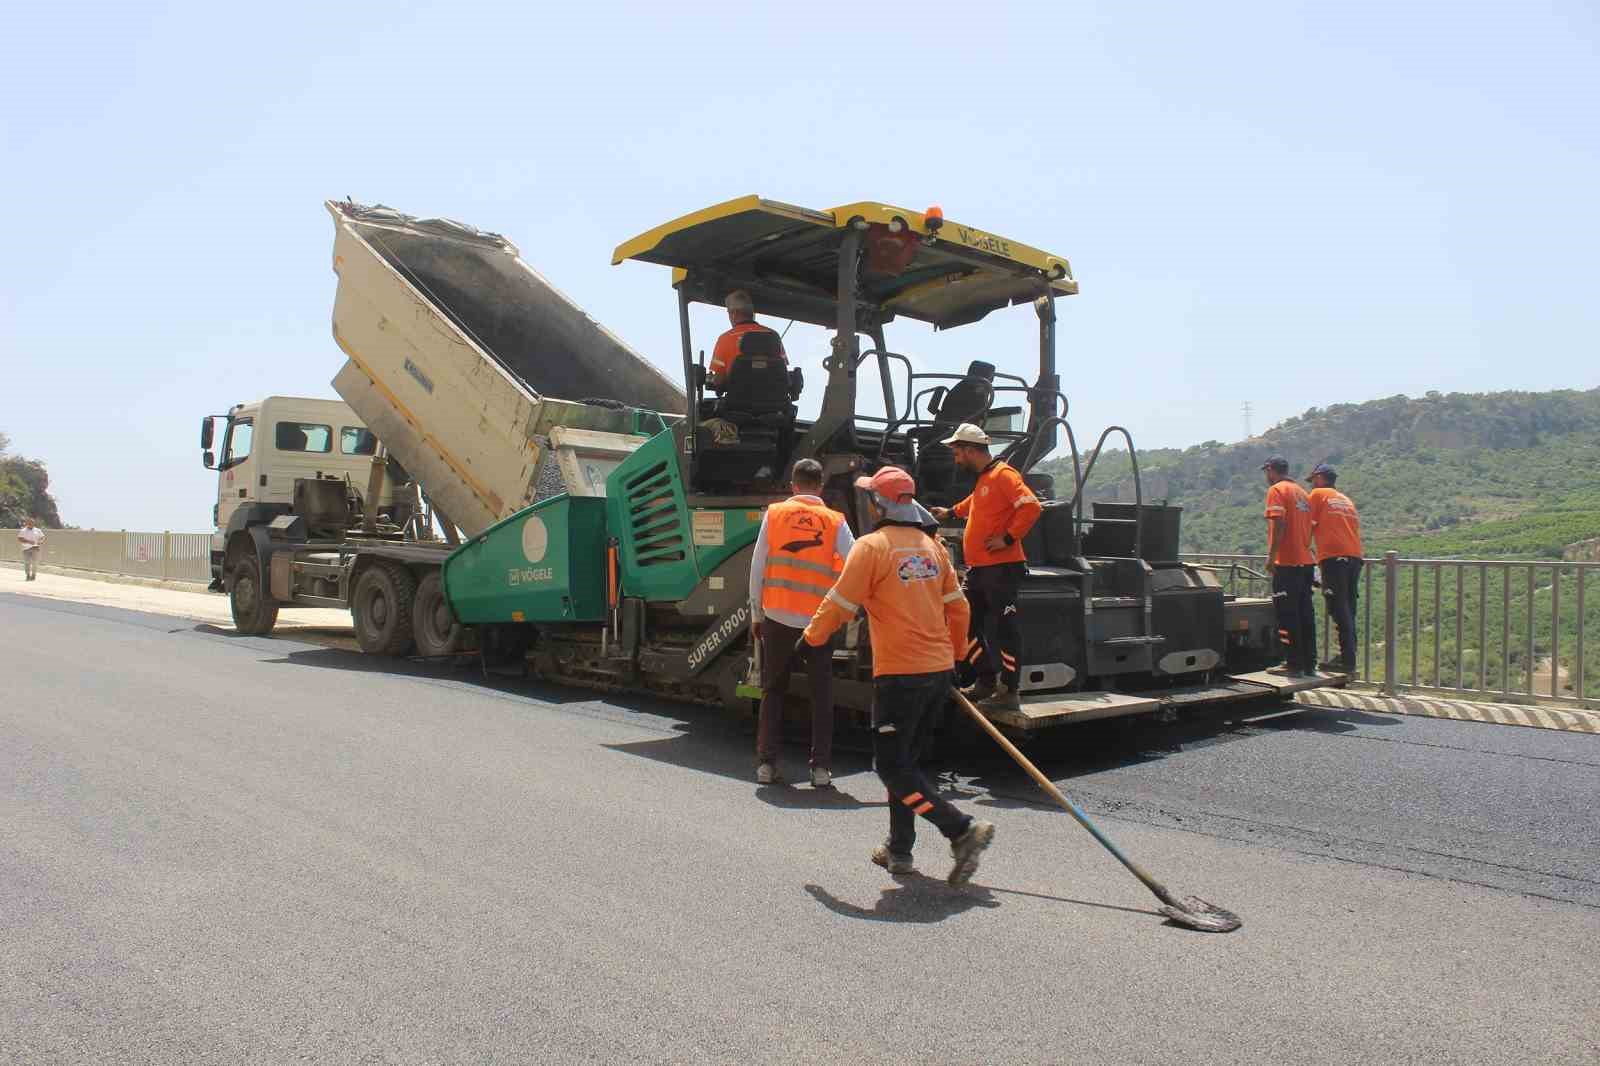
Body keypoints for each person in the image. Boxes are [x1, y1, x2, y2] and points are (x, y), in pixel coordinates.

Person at [802, 466, 996, 885]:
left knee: (891, 767)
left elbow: (839, 603)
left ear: (878, 505)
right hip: (938, 670)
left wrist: (810, 639)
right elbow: (959, 608)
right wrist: (958, 656)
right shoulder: (933, 548)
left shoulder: (871, 547)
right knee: (907, 764)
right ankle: (899, 849)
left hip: (899, 675)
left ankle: (961, 829)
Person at [749, 458, 855, 787]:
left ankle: (766, 765)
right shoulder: (836, 521)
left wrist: (756, 613)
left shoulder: (775, 514)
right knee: (821, 695)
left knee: (773, 691)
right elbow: (855, 564)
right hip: (818, 623)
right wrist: (842, 611)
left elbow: (757, 565)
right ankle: (820, 769)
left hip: (777, 618)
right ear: (820, 486)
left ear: (793, 486)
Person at [929, 423, 1042, 712]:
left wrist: (1007, 538)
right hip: (981, 568)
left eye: (957, 453)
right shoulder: (986, 479)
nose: (956, 459)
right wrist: (951, 512)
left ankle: (1009, 690)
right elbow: (978, 503)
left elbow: (1031, 507)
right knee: (963, 619)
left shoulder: (1004, 475)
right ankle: (986, 679)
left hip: (1002, 568)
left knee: (1006, 628)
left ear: (969, 450)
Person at [1306, 463, 1364, 674]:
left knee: (1338, 609)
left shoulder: (1318, 495)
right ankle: (1347, 657)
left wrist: (1305, 555)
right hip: (1354, 558)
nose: (1311, 485)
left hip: (1333, 558)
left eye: (1312, 480)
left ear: (1320, 478)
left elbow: (1307, 526)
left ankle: (1347, 662)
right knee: (1349, 609)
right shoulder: (1345, 499)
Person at [1262, 455, 1317, 675]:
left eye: (1266, 472)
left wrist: (1271, 556)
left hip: (1287, 562)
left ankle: (1292, 664)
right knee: (1305, 612)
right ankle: (1309, 663)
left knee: (1286, 613)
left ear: (1270, 470)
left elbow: (1279, 524)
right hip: (1305, 561)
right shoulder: (1302, 492)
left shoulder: (1277, 490)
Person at [707, 289, 786, 391]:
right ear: (751, 312)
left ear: (734, 313)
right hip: (774, 404)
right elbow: (783, 372)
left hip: (737, 404)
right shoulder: (773, 336)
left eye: (729, 313)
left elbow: (719, 380)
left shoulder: (725, 339)